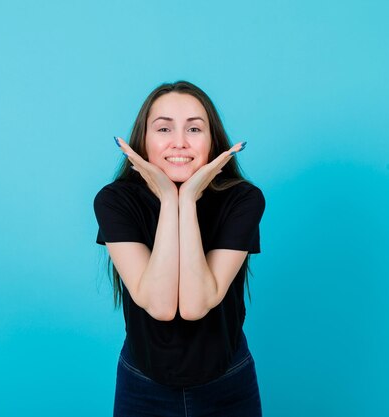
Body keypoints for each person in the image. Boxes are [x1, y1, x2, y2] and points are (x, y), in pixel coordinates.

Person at [93, 80, 266, 417]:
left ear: (213, 140)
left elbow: (195, 304)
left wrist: (185, 200)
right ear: (143, 139)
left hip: (228, 384)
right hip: (142, 386)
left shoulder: (243, 199)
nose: (179, 142)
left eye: (194, 129)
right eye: (163, 128)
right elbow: (159, 305)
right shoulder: (114, 201)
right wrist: (169, 201)